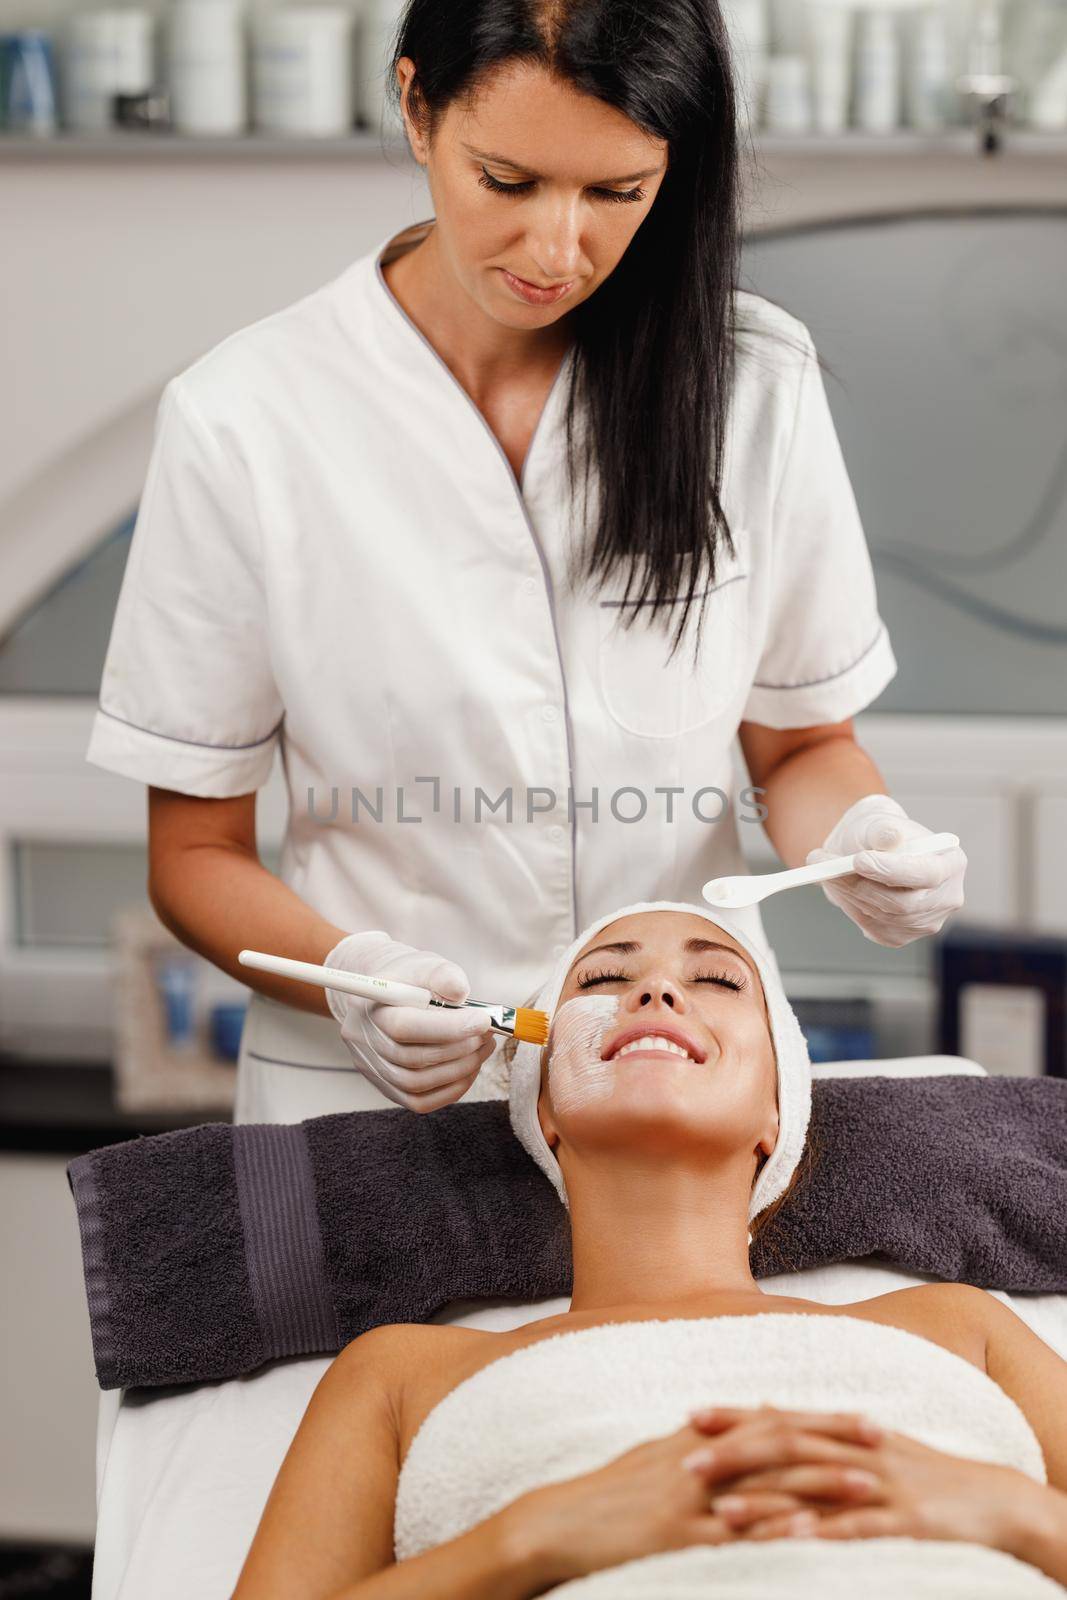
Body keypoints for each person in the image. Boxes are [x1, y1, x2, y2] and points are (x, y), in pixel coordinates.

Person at [85, 0, 967, 1126]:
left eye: (616, 193)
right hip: (375, 1102)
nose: (558, 251)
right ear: (414, 106)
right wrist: (354, 976)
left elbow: (798, 746)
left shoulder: (752, 383)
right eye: (507, 181)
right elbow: (195, 851)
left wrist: (860, 842)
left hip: (677, 1091)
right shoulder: (246, 417)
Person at [230, 906, 1067, 1598]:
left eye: (713, 980)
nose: (658, 989)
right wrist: (531, 1539)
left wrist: (1009, 1511)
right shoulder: (402, 1375)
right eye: (603, 981)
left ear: (779, 1111)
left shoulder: (958, 1326)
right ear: (542, 1107)